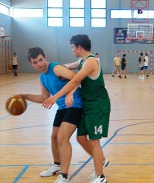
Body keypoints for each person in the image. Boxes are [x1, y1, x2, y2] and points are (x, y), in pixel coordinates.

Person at [42, 34, 111, 183]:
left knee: (94, 141)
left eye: (73, 47)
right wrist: (53, 67)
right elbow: (67, 66)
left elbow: (74, 80)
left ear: (79, 47)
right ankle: (101, 160)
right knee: (81, 138)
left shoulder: (91, 62)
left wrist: (56, 96)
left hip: (98, 105)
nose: (72, 50)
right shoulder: (82, 61)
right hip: (88, 105)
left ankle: (100, 176)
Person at [20, 47, 83, 183]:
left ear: (45, 57)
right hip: (62, 107)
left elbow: (77, 78)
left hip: (75, 104)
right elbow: (44, 98)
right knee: (54, 137)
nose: (39, 64)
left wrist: (71, 93)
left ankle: (64, 175)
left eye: (40, 60)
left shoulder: (56, 68)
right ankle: (57, 165)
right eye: (35, 62)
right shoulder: (43, 77)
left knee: (62, 137)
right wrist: (24, 96)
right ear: (31, 64)